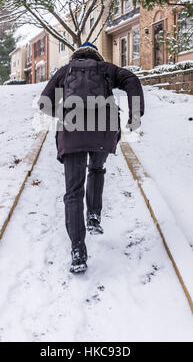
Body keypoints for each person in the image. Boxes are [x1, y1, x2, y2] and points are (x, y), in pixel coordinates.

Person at [39, 42, 144, 273]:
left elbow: (44, 102)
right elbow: (132, 81)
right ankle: (94, 216)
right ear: (97, 54)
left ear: (76, 56)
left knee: (73, 191)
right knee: (97, 170)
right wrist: (135, 113)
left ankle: (78, 251)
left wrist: (64, 114)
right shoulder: (106, 69)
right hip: (102, 130)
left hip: (72, 131)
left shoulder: (65, 71)